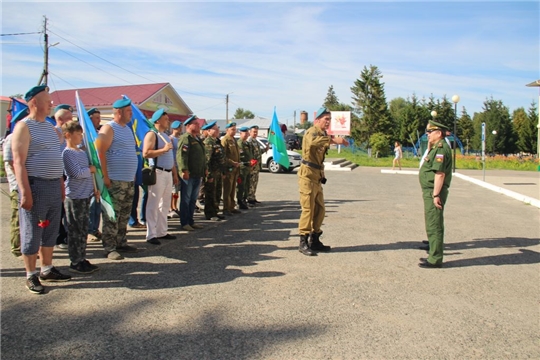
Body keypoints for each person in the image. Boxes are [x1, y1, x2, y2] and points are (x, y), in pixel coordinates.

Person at [12, 85, 72, 294]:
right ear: (34, 102)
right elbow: (18, 162)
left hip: (53, 185)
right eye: (48, 101)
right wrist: (25, 191)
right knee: (32, 231)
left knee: (51, 230)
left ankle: (47, 268)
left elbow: (55, 158)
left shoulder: (49, 128)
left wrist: (60, 185)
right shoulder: (23, 127)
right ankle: (31, 274)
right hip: (35, 185)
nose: (51, 104)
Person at [297, 107, 349, 256]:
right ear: (317, 120)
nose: (328, 122)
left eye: (330, 120)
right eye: (326, 119)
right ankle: (303, 241)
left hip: (317, 176)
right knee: (308, 209)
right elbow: (313, 143)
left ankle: (315, 239)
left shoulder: (322, 134)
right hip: (307, 176)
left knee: (320, 209)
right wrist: (333, 139)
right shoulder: (311, 132)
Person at [96, 98, 139, 260]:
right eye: (129, 111)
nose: (131, 114)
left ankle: (121, 242)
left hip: (127, 180)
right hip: (114, 179)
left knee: (124, 214)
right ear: (119, 112)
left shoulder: (127, 129)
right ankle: (109, 247)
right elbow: (100, 152)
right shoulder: (108, 128)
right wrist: (105, 176)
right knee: (112, 215)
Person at [61, 121, 99, 274]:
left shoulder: (81, 152)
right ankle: (75, 260)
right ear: (68, 135)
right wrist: (90, 170)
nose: (80, 137)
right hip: (74, 197)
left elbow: (89, 174)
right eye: (78, 134)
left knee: (83, 229)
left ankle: (82, 257)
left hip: (85, 196)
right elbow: (75, 173)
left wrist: (93, 189)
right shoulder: (67, 153)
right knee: (75, 229)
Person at [418, 120, 453, 269]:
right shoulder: (436, 147)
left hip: (434, 192)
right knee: (432, 222)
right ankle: (433, 252)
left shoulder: (441, 149)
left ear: (438, 133)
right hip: (431, 191)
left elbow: (440, 174)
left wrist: (436, 195)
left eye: (430, 132)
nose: (427, 134)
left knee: (434, 224)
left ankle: (435, 259)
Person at [142, 109, 178, 244]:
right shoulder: (152, 135)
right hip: (158, 172)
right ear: (157, 121)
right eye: (166, 119)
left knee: (165, 204)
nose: (168, 121)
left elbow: (170, 158)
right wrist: (163, 150)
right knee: (154, 203)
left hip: (168, 172)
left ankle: (162, 231)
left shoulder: (165, 135)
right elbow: (146, 153)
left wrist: (174, 174)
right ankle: (151, 234)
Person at [177, 115, 206, 231]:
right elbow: (182, 156)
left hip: (197, 173)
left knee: (193, 199)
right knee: (186, 199)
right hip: (188, 174)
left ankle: (191, 220)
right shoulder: (186, 138)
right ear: (189, 126)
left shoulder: (197, 138)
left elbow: (202, 156)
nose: (199, 126)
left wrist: (205, 168)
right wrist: (184, 170)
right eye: (196, 124)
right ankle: (184, 222)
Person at [203, 121, 225, 221]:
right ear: (208, 131)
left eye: (218, 129)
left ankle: (215, 211)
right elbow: (206, 160)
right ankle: (210, 213)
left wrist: (223, 172)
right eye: (215, 129)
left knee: (217, 193)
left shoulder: (217, 141)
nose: (217, 131)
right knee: (210, 193)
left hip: (218, 172)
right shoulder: (208, 142)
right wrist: (209, 175)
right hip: (212, 173)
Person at [3, 133, 21, 257]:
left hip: (28, 184)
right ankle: (17, 247)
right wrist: (22, 181)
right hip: (17, 185)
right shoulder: (11, 138)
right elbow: (10, 162)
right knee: (18, 218)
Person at [87, 108, 103, 242]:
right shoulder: (85, 136)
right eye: (96, 117)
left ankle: (95, 228)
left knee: (98, 202)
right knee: (92, 203)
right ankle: (89, 230)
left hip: (99, 172)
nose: (99, 120)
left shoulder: (98, 134)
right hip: (89, 174)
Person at [221, 122, 241, 215]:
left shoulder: (233, 140)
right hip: (228, 168)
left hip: (235, 169)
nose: (234, 131)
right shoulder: (225, 140)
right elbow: (223, 156)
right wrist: (232, 163)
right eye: (232, 129)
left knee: (233, 189)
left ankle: (231, 207)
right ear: (227, 130)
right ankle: (226, 208)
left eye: (235, 129)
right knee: (227, 189)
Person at [247, 125, 267, 205]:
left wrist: (265, 149)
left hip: (256, 166)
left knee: (255, 182)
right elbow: (249, 155)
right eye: (254, 132)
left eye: (256, 132)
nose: (255, 133)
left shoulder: (255, 141)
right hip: (252, 166)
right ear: (250, 132)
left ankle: (253, 197)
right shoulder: (249, 141)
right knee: (251, 182)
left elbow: (257, 153)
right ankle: (249, 198)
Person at [236, 126, 254, 210]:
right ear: (240, 134)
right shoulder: (239, 143)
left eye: (247, 133)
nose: (246, 134)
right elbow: (240, 157)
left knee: (247, 185)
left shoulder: (246, 143)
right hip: (242, 168)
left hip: (247, 168)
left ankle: (244, 199)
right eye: (245, 133)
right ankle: (239, 201)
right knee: (241, 186)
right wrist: (248, 163)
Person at [169, 120, 182, 217]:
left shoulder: (180, 139)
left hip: (179, 167)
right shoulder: (171, 139)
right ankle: (170, 207)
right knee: (172, 189)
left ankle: (175, 206)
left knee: (176, 189)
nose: (180, 129)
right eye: (178, 127)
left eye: (180, 127)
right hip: (173, 167)